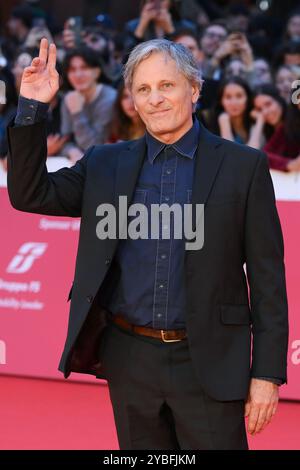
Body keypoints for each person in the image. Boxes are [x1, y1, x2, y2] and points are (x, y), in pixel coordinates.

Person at [7, 38, 288, 450]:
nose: (155, 99)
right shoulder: (105, 163)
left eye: (166, 86)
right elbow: (30, 193)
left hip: (208, 359)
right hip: (129, 359)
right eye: (143, 89)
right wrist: (33, 108)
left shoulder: (243, 167)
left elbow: (268, 281)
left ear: (193, 90)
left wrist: (266, 374)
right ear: (132, 101)